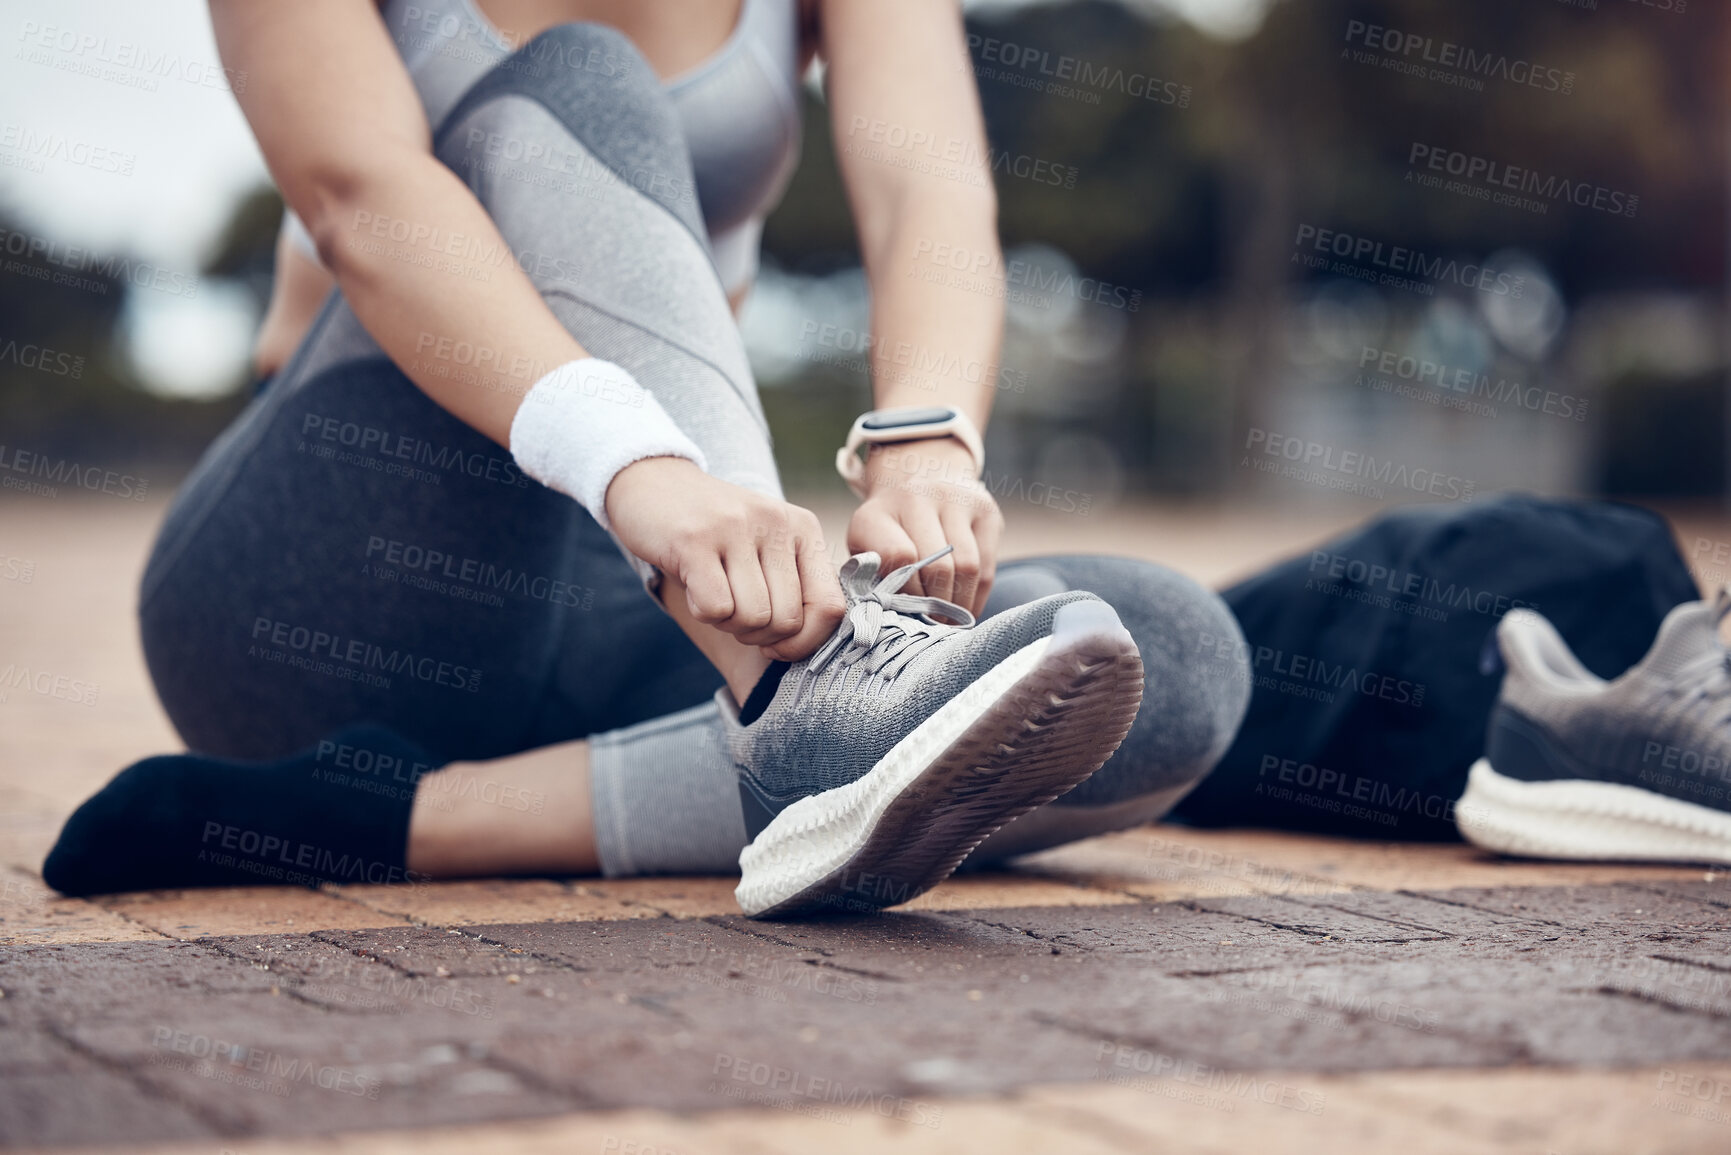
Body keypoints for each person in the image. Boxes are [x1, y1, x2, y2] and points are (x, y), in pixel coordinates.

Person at [43, 0, 1252, 915]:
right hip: (353, 570)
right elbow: (360, 196)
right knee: (579, 76)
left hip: (652, 620)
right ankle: (806, 691)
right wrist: (642, 468)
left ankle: (393, 819)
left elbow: (925, 197)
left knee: (1163, 650)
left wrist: (925, 442)